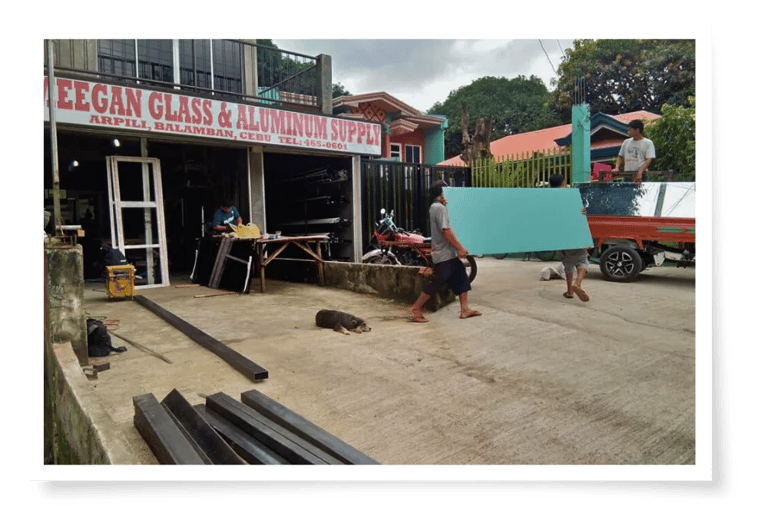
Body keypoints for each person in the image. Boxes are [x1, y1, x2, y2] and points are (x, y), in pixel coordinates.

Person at [409, 180, 482, 322]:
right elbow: (446, 231)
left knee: (461, 277)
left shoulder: (435, 207)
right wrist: (460, 247)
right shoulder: (440, 209)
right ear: (441, 194)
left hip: (447, 254)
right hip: (443, 254)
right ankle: (416, 308)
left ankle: (464, 309)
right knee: (438, 282)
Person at [549, 173, 590, 302]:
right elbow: (579, 213)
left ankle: (569, 291)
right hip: (573, 231)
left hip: (559, 234)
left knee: (568, 263)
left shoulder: (547, 197)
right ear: (562, 183)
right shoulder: (570, 195)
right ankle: (577, 284)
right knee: (582, 260)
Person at [613, 119, 656, 183]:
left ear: (637, 130)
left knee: (642, 192)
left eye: (630, 130)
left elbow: (649, 159)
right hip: (627, 175)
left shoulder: (648, 143)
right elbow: (620, 156)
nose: (628, 132)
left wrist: (640, 172)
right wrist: (617, 168)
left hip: (641, 175)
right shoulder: (626, 142)